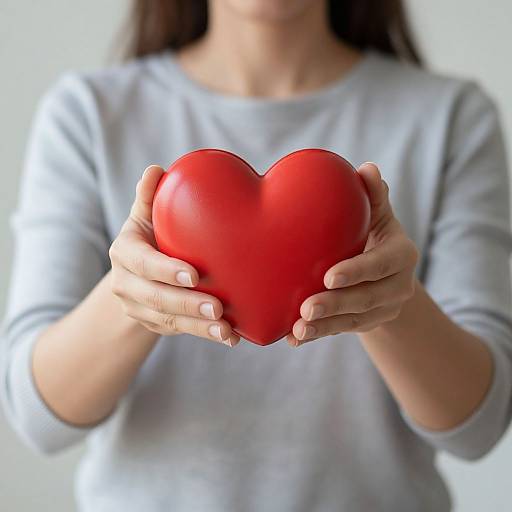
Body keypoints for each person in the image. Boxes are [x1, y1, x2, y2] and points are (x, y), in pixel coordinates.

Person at [2, 1, 512, 510]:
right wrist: (133, 300)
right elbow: (37, 417)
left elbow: (479, 427)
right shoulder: (88, 113)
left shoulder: (451, 116)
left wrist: (391, 307)